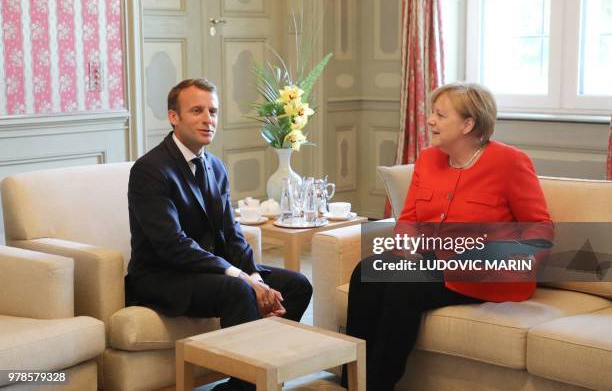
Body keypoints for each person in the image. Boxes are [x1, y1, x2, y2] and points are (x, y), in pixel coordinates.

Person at [343, 82, 553, 391]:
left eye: (440, 115)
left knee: (405, 287)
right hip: (432, 260)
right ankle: (351, 380)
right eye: (432, 113)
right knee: (365, 272)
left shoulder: (510, 162)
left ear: (469, 124)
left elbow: (540, 230)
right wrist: (406, 242)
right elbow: (410, 217)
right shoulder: (429, 159)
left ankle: (377, 384)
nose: (429, 120)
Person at [125, 78, 312, 391]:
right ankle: (250, 384)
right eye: (196, 110)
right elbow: (172, 245)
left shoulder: (215, 166)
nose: (207, 119)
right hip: (162, 276)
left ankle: (244, 383)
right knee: (238, 290)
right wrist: (241, 277)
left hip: (208, 272)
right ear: (174, 117)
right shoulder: (150, 169)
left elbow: (231, 233)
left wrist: (255, 275)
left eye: (212, 111)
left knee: (297, 286)